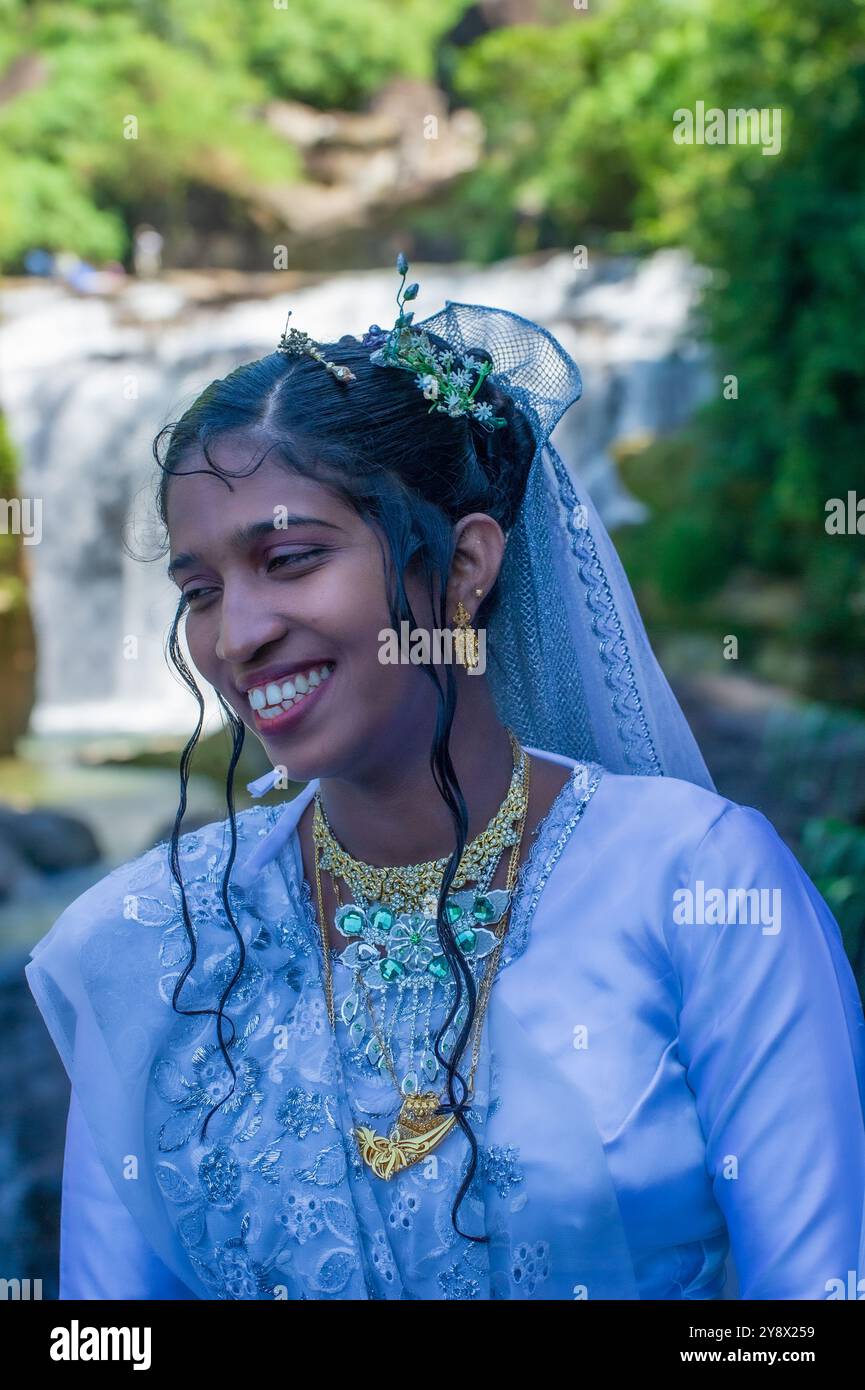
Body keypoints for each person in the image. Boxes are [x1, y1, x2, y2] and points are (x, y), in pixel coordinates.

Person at [26, 254, 865, 1301]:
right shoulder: (152, 944)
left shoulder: (698, 891)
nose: (234, 635)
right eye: (199, 589)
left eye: (288, 561)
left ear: (465, 564)